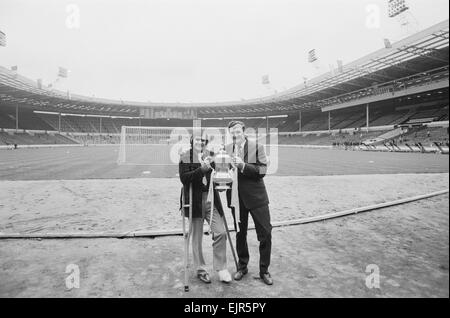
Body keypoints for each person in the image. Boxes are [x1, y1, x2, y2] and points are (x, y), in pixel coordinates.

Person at [179, 133, 232, 284]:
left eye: (203, 140)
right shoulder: (185, 156)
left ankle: (221, 268)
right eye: (197, 139)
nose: (200, 142)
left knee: (220, 232)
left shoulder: (211, 155)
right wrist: (201, 169)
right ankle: (200, 269)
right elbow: (184, 178)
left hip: (211, 199)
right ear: (192, 141)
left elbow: (221, 171)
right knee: (197, 238)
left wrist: (222, 163)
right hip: (194, 201)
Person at [225, 120, 273, 285]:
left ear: (243, 131)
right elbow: (223, 172)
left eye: (238, 131)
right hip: (236, 199)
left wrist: (243, 165)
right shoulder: (227, 149)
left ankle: (264, 270)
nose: (235, 134)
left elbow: (263, 170)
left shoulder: (257, 147)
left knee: (265, 233)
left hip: (256, 198)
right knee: (240, 234)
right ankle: (242, 266)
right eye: (232, 132)